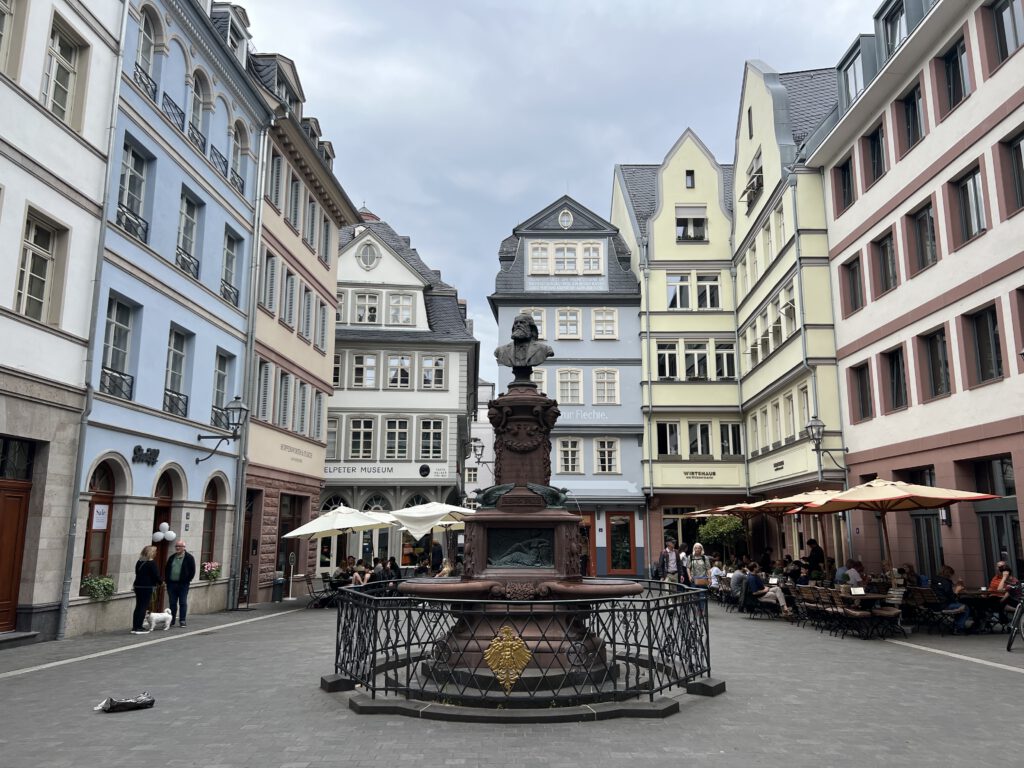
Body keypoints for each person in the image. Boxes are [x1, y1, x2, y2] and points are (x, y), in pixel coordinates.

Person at [164, 540, 196, 628]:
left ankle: (182, 620)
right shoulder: (172, 557)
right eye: (176, 546)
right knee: (172, 603)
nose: (177, 548)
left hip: (183, 585)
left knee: (182, 602)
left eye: (179, 546)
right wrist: (167, 581)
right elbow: (167, 569)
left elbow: (192, 571)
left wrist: (187, 580)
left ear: (184, 548)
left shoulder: (189, 558)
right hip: (171, 584)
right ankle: (172, 620)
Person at [931, 565, 970, 634]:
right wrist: (957, 591)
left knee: (959, 606)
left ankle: (956, 625)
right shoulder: (946, 582)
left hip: (934, 605)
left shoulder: (934, 580)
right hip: (944, 605)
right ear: (949, 574)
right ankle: (959, 628)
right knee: (965, 608)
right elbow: (951, 598)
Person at [131, 545, 160, 634]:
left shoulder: (139, 562)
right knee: (143, 606)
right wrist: (161, 582)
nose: (156, 553)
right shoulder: (151, 563)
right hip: (146, 587)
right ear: (151, 553)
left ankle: (135, 626)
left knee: (138, 606)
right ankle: (139, 627)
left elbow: (137, 573)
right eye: (155, 551)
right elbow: (155, 576)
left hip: (137, 586)